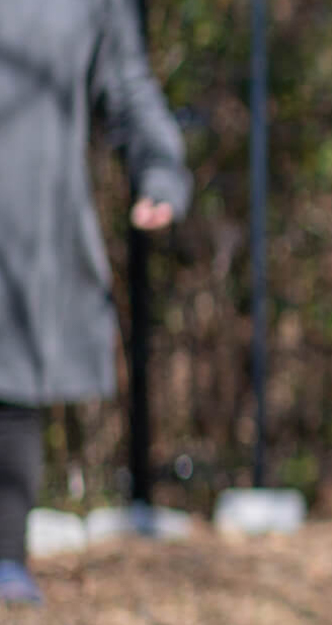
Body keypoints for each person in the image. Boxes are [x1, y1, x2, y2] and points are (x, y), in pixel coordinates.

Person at [0, 0, 192, 604]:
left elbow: (127, 85)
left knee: (13, 386)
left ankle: (5, 559)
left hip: (29, 224)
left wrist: (160, 167)